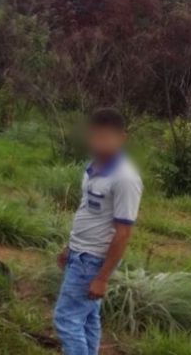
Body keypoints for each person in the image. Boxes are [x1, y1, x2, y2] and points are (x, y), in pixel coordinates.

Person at [54, 108, 142, 355]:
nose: (98, 143)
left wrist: (102, 277)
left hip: (92, 260)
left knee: (66, 319)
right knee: (88, 320)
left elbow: (123, 232)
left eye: (106, 137)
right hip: (79, 255)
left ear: (122, 138)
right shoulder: (93, 166)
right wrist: (70, 248)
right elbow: (88, 213)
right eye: (95, 136)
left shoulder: (126, 178)